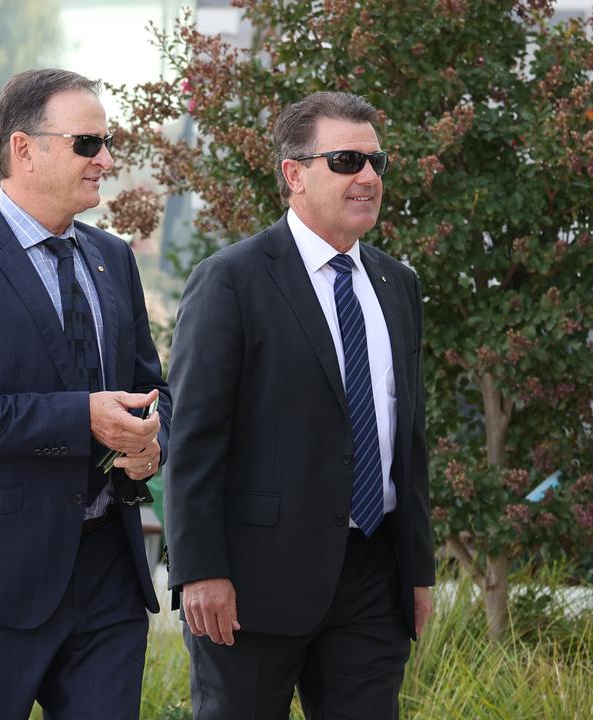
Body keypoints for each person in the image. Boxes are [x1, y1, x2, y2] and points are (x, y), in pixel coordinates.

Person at [0, 68, 170, 718]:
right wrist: (85, 420)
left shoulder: (114, 258)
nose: (105, 159)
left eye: (107, 143)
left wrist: (150, 439)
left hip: (109, 570)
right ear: (24, 149)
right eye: (87, 144)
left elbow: (149, 387)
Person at [165, 91, 435, 719]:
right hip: (253, 585)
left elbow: (409, 439)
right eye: (345, 160)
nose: (367, 177)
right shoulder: (231, 280)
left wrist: (416, 571)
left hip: (373, 577)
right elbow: (195, 439)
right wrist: (199, 570)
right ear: (294, 174)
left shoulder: (399, 285)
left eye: (376, 162)